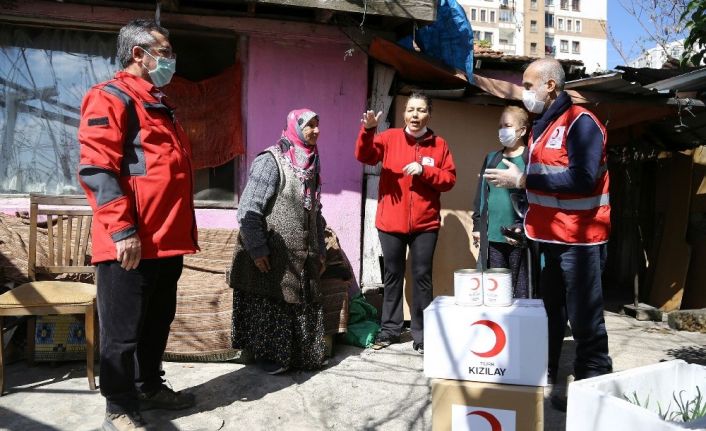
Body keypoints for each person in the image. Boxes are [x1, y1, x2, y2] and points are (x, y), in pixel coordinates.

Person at [77, 19, 198, 431]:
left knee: (156, 322)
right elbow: (97, 168)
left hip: (167, 240)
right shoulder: (109, 98)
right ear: (139, 54)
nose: (171, 60)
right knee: (122, 332)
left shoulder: (159, 103)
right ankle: (119, 406)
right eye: (164, 52)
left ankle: (149, 385)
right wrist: (122, 230)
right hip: (132, 240)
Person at [483, 58, 613, 410]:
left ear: (550, 86)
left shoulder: (581, 123)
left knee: (584, 317)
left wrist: (523, 180)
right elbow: (546, 183)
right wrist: (523, 211)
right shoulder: (544, 124)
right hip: (549, 237)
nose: (524, 92)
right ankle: (548, 371)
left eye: (528, 85)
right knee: (550, 311)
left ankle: (593, 386)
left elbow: (582, 178)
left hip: (581, 239)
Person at [355, 93, 456, 354]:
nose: (415, 115)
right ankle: (389, 329)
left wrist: (425, 171)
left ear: (428, 115)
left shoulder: (439, 144)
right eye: (410, 109)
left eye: (421, 110)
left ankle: (422, 334)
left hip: (425, 224)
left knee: (422, 277)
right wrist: (368, 131)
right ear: (404, 114)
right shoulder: (389, 139)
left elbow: (449, 180)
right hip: (390, 222)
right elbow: (365, 155)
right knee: (393, 276)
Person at [228, 109, 327, 375]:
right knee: (273, 301)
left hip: (303, 250)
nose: (316, 131)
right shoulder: (271, 160)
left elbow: (315, 208)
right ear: (295, 127)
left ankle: (300, 356)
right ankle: (272, 358)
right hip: (273, 251)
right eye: (310, 126)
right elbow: (248, 208)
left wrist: (320, 250)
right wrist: (257, 248)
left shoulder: (312, 161)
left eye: (318, 125)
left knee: (302, 301)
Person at [472, 105, 530, 298]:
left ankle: (521, 327)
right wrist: (478, 225)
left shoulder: (531, 157)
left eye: (507, 125)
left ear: (522, 130)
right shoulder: (492, 158)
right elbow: (481, 193)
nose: (502, 130)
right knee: (496, 290)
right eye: (500, 126)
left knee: (521, 289)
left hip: (521, 237)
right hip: (493, 237)